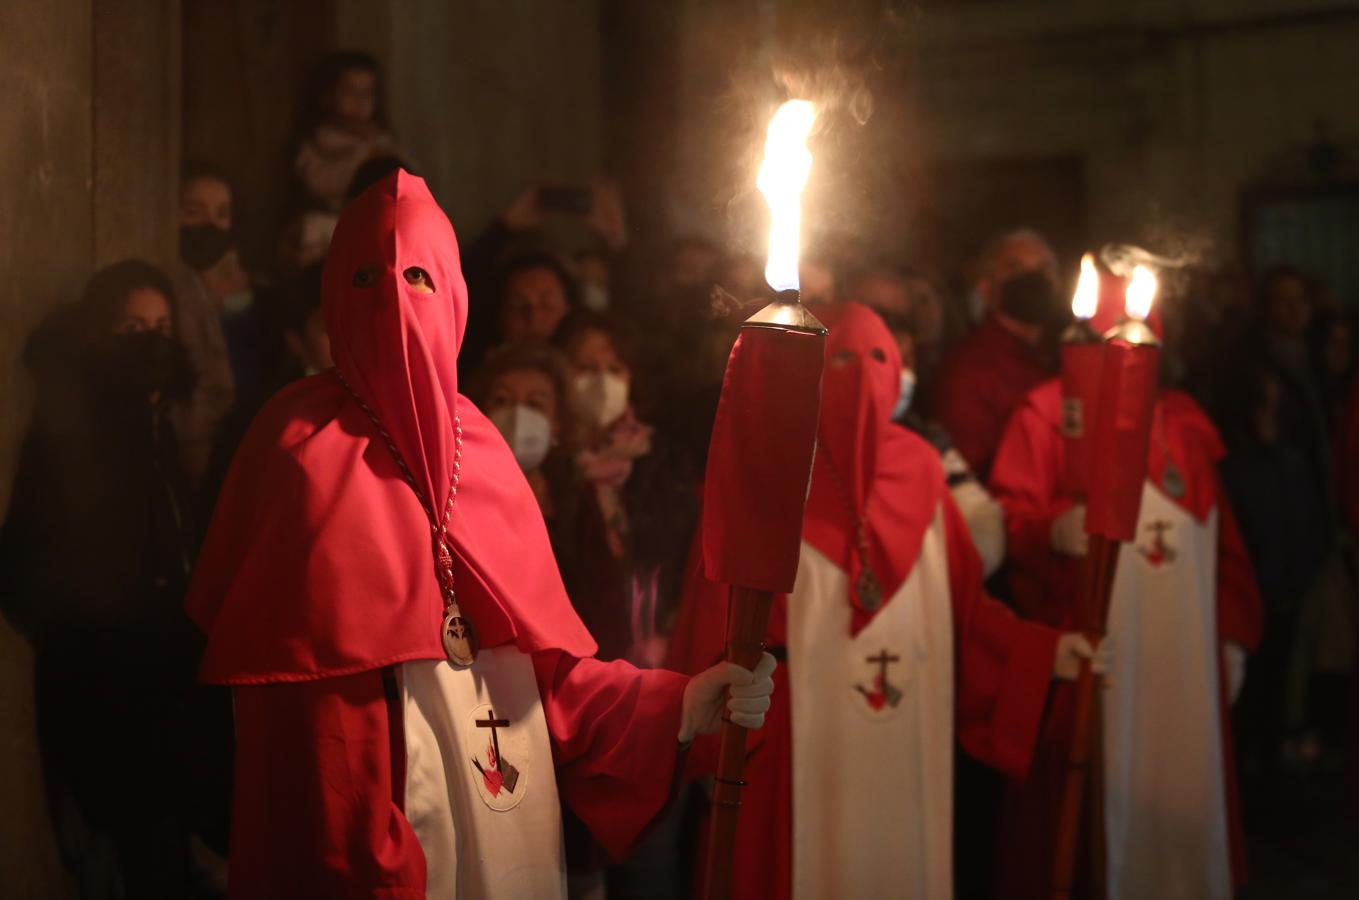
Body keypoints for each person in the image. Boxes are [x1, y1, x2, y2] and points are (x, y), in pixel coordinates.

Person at [184, 170, 774, 899]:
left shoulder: (484, 449)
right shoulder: (299, 448)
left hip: (512, 848)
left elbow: (548, 690)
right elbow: (315, 750)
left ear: (457, 295)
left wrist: (679, 703)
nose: (397, 301)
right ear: (335, 293)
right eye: (368, 276)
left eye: (420, 277)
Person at [665, 302, 1103, 900]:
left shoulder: (923, 470)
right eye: (844, 357)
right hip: (793, 748)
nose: (864, 374)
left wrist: (1040, 653)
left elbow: (965, 615)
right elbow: (716, 618)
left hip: (907, 738)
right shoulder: (772, 471)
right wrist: (711, 740)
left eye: (880, 359)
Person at [989, 289, 1264, 900]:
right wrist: (1049, 529)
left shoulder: (1185, 423)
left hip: (1183, 663)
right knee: (1085, 829)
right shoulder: (1046, 413)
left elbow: (1223, 541)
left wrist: (1232, 633)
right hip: (1094, 651)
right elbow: (1013, 516)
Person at [0, 260, 226, 898]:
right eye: (133, 326)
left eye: (161, 325)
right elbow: (23, 568)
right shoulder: (69, 439)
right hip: (101, 701)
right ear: (100, 335)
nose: (151, 341)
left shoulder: (153, 430)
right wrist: (93, 641)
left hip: (162, 698)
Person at [926, 229, 1064, 480]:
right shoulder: (968, 371)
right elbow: (967, 480)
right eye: (1015, 269)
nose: (1033, 278)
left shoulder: (1060, 357)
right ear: (985, 287)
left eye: (1044, 270)